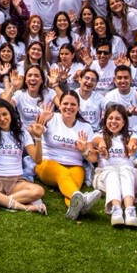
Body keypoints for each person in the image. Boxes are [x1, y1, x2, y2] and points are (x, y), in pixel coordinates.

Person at [0, 98, 48, 214]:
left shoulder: (23, 134)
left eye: (5, 114)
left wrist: (38, 138)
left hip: (16, 181)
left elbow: (37, 160)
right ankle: (24, 207)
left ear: (11, 114)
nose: (2, 119)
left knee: (38, 191)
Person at [34, 90, 102, 220]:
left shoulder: (85, 127)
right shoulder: (50, 118)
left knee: (73, 191)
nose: (69, 107)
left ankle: (77, 207)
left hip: (75, 165)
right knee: (64, 175)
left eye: (73, 104)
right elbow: (34, 133)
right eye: (65, 103)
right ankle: (84, 200)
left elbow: (93, 157)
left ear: (78, 107)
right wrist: (43, 121)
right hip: (47, 162)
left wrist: (84, 150)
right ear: (59, 105)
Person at [91, 104, 137, 227]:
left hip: (127, 176)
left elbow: (134, 142)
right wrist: (102, 145)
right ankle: (116, 209)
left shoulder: (131, 135)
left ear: (124, 122)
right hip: (105, 177)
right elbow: (98, 141)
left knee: (125, 170)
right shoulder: (99, 134)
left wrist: (132, 147)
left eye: (118, 119)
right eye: (110, 118)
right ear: (105, 120)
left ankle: (130, 210)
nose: (113, 122)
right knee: (112, 172)